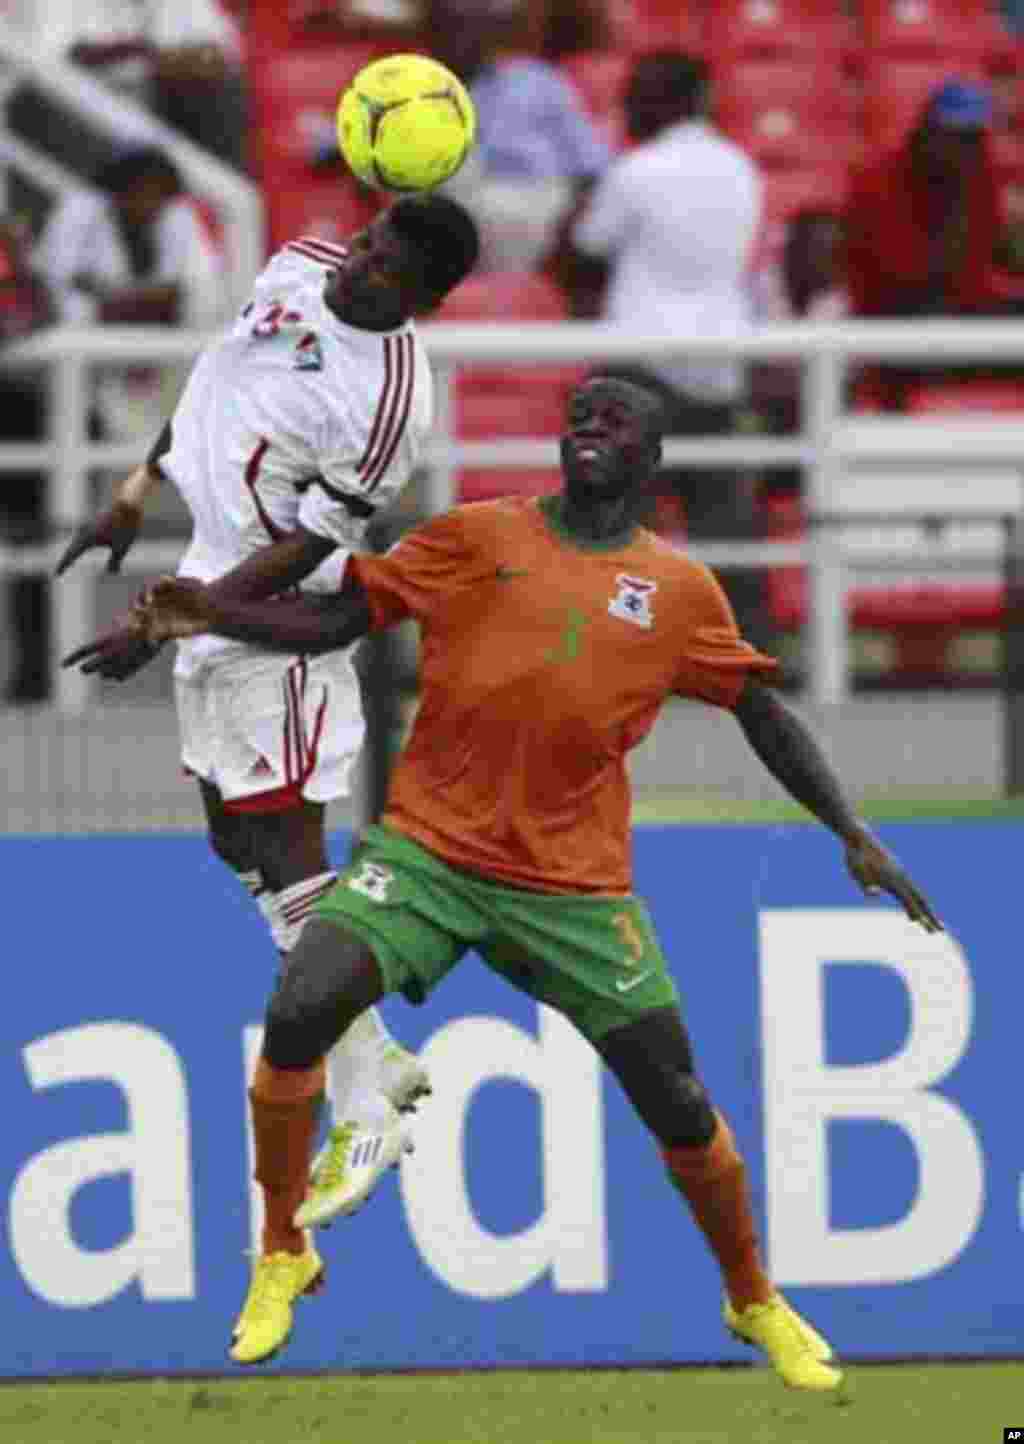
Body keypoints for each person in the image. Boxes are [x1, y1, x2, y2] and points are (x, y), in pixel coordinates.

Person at [116, 376, 942, 1373]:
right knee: (301, 1005)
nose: (589, 427)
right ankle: (284, 1249)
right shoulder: (480, 536)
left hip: (574, 889)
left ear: (651, 459)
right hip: (430, 854)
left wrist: (849, 829)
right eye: (579, 415)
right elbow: (340, 622)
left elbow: (759, 710)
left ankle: (752, 1298)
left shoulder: (677, 591)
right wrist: (211, 612)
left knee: (674, 1095)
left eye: (615, 420)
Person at [58, 194, 482, 1227]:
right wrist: (135, 484)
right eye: (369, 238)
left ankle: (358, 1089)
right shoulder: (298, 262)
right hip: (204, 584)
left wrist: (188, 616)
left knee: (289, 842)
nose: (359, 263)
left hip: (271, 610)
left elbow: (307, 541)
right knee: (231, 838)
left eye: (385, 264)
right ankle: (373, 1054)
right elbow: (216, 378)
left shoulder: (388, 398)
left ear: (419, 297)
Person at [564, 51, 770, 649]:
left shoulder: (637, 169)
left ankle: (616, 649)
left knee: (616, 519)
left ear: (659, 102)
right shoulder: (742, 168)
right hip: (718, 361)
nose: (626, 109)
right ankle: (741, 651)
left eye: (635, 97)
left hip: (639, 362)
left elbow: (586, 244)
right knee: (723, 520)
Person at [35, 147, 227, 449]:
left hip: (154, 345)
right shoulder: (81, 212)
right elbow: (60, 280)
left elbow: (201, 286)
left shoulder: (177, 216)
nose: (148, 201)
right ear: (119, 190)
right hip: (87, 348)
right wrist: (130, 297)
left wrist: (135, 296)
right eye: (140, 191)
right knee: (82, 435)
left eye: (157, 193)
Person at [429, 0, 612, 268]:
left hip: (538, 198)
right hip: (470, 204)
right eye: (452, 28)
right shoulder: (429, 92)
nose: (463, 38)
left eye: (473, 27)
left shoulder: (535, 79)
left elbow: (590, 160)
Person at [0, 216, 55, 703]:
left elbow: (39, 332)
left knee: (30, 556)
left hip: (24, 427)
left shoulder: (36, 289)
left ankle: (34, 677)